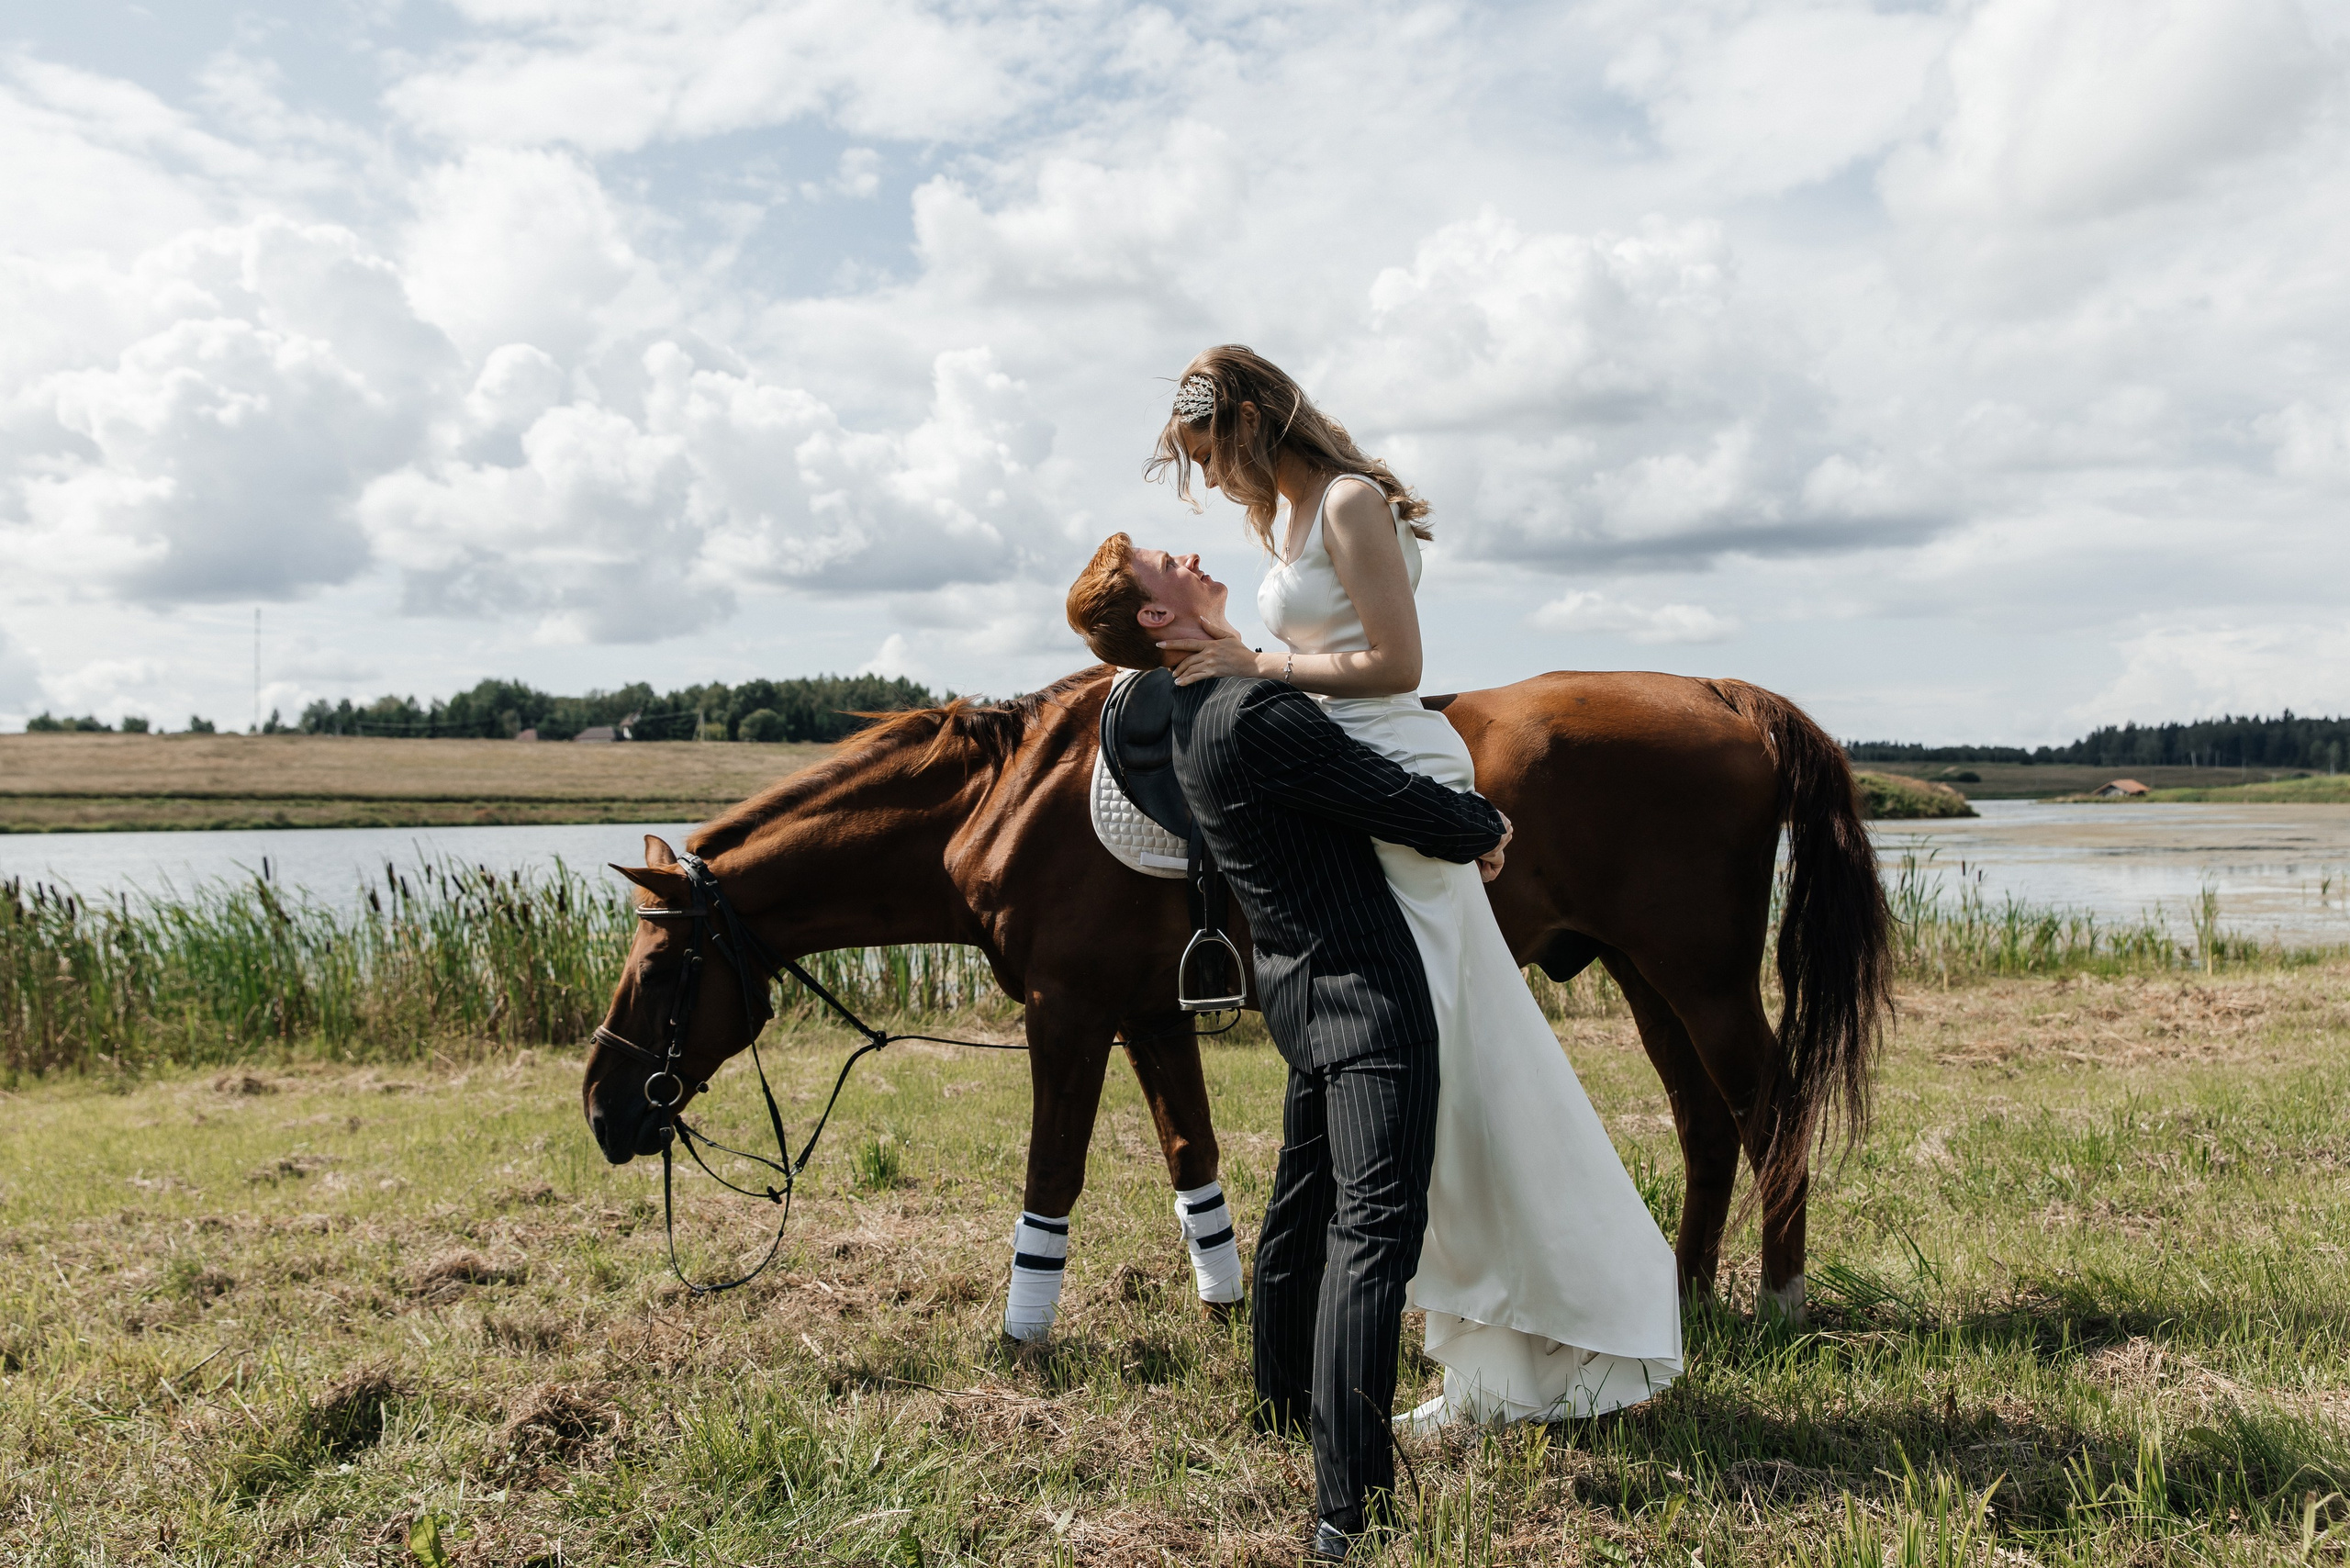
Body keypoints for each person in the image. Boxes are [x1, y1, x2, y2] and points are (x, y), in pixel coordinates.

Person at [1139, 347, 1684, 1430]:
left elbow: (1394, 661)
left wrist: (1258, 670)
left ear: (1249, 418)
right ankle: (1483, 1352)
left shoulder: (1348, 503)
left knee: (1453, 1068)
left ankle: (1562, 1313)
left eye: (1212, 457)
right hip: (1339, 782)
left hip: (1388, 776)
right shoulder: (1292, 514)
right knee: (1421, 1077)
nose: (1214, 487)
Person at [1068, 533, 1507, 1559]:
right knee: (1374, 1234)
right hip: (1366, 996)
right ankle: (1348, 1509)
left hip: (1301, 994)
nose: (1186, 554)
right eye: (1160, 564)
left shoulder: (1192, 713)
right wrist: (1478, 820)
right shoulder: (1250, 710)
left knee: (1306, 1208)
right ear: (1155, 619)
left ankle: (1275, 1403)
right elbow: (1380, 796)